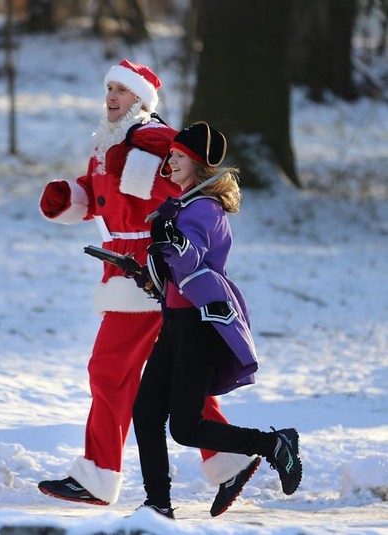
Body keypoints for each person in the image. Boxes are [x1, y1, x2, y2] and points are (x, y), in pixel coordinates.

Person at [37, 59, 259, 514]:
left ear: (140, 99)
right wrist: (69, 198)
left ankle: (98, 475)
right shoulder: (108, 144)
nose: (111, 96)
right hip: (134, 274)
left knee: (109, 371)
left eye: (121, 90)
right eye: (109, 88)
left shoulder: (152, 141)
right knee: (175, 374)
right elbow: (100, 195)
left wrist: (154, 182)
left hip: (144, 274)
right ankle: (229, 460)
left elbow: (187, 181)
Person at [131, 122, 303, 519]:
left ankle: (273, 445)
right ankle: (157, 505)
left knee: (186, 427)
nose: (170, 161)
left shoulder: (203, 208)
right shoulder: (182, 205)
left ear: (196, 162)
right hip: (176, 324)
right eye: (171, 155)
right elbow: (176, 274)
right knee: (146, 412)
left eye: (178, 156)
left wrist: (172, 240)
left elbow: (192, 258)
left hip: (200, 327)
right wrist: (147, 273)